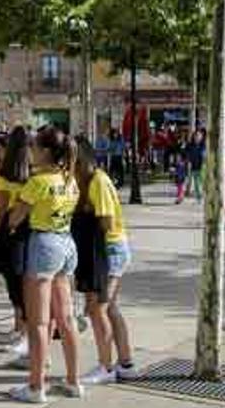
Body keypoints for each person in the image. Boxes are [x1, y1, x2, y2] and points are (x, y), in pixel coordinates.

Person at [7, 126, 83, 403]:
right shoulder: (69, 179)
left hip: (43, 245)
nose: (31, 152)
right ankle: (74, 381)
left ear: (46, 151)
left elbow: (15, 218)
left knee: (39, 322)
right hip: (66, 244)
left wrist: (12, 218)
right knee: (66, 318)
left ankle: (36, 387)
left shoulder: (37, 182)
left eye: (36, 147)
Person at [73, 138, 138, 386]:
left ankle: (106, 366)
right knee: (109, 308)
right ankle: (126, 362)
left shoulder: (98, 181)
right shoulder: (88, 180)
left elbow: (108, 222)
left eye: (73, 162)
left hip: (110, 249)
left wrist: (87, 211)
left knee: (98, 308)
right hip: (108, 249)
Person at [0, 126, 31, 362]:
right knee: (25, 283)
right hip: (31, 231)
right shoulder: (34, 174)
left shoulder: (5, 176)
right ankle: (23, 332)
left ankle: (23, 333)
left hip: (11, 232)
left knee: (15, 285)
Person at [184, 130, 205, 202]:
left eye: (199, 136)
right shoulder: (190, 145)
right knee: (196, 183)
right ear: (194, 136)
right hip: (194, 166)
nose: (198, 137)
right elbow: (186, 154)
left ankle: (204, 194)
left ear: (201, 137)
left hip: (203, 166)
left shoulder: (204, 145)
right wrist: (188, 162)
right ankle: (198, 198)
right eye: (196, 136)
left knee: (203, 181)